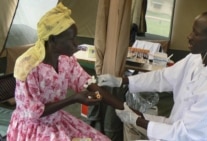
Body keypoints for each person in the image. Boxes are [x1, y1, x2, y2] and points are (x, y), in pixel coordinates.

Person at [97, 10, 207, 141]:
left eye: (196, 33)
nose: (189, 36)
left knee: (134, 121)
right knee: (129, 123)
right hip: (174, 124)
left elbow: (185, 133)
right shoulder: (195, 59)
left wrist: (138, 119)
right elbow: (163, 77)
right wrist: (121, 81)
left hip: (186, 136)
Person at [6, 3, 124, 141]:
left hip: (55, 120)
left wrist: (125, 109)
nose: (76, 43)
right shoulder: (28, 67)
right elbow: (33, 113)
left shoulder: (65, 60)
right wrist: (74, 99)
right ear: (52, 40)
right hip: (33, 128)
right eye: (71, 39)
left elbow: (89, 85)